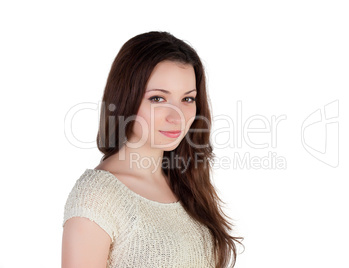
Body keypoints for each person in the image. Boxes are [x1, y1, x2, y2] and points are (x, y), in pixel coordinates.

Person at [61, 31, 244, 268]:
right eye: (158, 99)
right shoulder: (98, 196)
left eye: (187, 99)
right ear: (126, 97)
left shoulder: (185, 180)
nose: (176, 116)